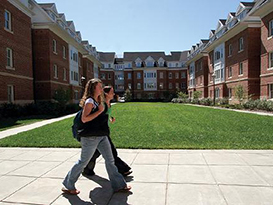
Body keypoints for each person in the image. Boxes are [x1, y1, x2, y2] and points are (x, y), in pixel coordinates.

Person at [62, 79, 131, 195]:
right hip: (90, 137)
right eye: (100, 86)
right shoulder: (90, 101)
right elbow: (84, 119)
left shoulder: (98, 100)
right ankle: (68, 185)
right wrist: (99, 111)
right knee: (83, 161)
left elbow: (103, 115)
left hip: (101, 135)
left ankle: (119, 185)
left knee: (110, 160)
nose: (101, 88)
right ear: (94, 88)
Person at [83, 86, 132, 178]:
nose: (113, 94)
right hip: (101, 132)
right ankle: (123, 169)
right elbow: (98, 117)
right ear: (106, 94)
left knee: (95, 153)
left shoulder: (108, 103)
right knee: (112, 152)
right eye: (112, 92)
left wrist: (110, 119)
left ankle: (87, 169)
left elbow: (106, 115)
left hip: (103, 131)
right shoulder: (103, 105)